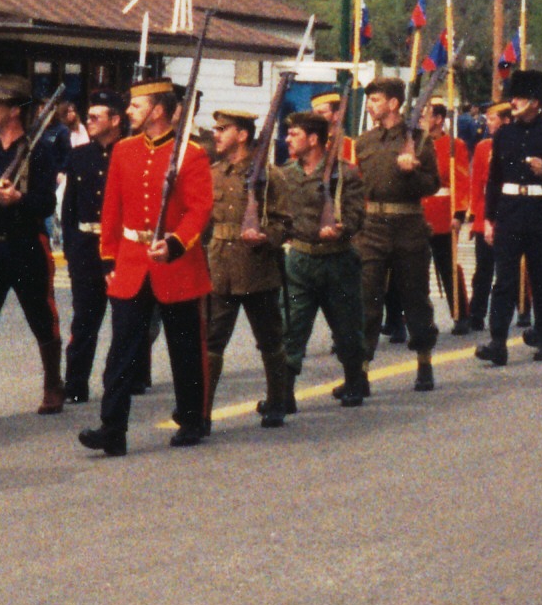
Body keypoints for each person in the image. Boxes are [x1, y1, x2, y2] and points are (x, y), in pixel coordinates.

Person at [79, 78, 214, 455]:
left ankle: (191, 418)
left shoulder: (190, 154)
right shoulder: (123, 150)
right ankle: (112, 429)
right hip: (132, 261)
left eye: (136, 107)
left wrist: (173, 243)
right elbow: (112, 207)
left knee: (184, 347)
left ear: (157, 110)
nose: (129, 113)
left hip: (175, 261)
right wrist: (109, 256)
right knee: (121, 349)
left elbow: (199, 209)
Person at [0, 74, 64, 423]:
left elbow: (46, 203)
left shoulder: (40, 151)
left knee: (41, 317)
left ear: (15, 111)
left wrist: (19, 199)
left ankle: (53, 385)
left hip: (26, 247)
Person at [204, 107, 295, 428]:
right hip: (220, 268)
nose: (215, 134)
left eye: (222, 129)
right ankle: (202, 411)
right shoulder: (213, 173)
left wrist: (265, 238)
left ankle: (277, 401)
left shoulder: (270, 176)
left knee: (270, 338)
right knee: (212, 340)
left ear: (242, 135)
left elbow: (285, 223)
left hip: (257, 267)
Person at [476, 69, 542, 366]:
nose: (513, 102)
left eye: (518, 97)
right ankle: (498, 341)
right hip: (509, 213)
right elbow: (494, 180)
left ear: (534, 101)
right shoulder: (504, 133)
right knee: (503, 280)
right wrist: (489, 218)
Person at [353, 76, 441, 392]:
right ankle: (359, 371)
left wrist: (413, 170)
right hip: (373, 228)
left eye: (376, 100)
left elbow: (433, 184)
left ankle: (424, 362)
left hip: (408, 227)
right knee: (367, 300)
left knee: (415, 297)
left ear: (393, 103)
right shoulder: (363, 142)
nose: (371, 106)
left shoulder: (419, 139)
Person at [279, 110, 369, 407]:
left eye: (294, 134)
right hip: (300, 261)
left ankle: (355, 381)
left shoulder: (345, 173)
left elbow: (356, 214)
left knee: (346, 327)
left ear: (313, 139)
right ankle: (284, 391)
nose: (287, 139)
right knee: (291, 328)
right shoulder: (285, 173)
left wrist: (343, 229)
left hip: (337, 260)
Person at [61, 89, 124, 405]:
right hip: (87, 246)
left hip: (122, 248)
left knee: (125, 318)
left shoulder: (128, 153)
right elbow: (69, 207)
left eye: (96, 117)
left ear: (115, 120)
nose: (89, 121)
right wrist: (72, 249)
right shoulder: (78, 156)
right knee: (84, 319)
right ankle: (75, 384)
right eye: (88, 116)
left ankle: (128, 379)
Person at [420, 100, 471, 334]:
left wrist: (459, 213)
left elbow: (461, 180)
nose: (421, 119)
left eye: (426, 115)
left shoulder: (454, 145)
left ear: (439, 119)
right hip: (418, 212)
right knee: (415, 270)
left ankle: (461, 315)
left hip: (442, 212)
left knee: (447, 265)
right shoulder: (415, 144)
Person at [467, 101, 511, 334]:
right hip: (487, 213)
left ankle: (519, 310)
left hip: (510, 211)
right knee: (483, 268)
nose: (488, 123)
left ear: (506, 120)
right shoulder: (483, 147)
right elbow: (477, 186)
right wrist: (476, 216)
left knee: (508, 270)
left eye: (492, 118)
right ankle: (476, 312)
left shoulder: (518, 144)